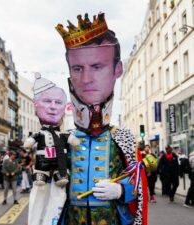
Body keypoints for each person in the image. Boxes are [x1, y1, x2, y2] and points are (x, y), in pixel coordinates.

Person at [55, 13, 148, 225]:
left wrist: (121, 190)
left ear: (117, 70)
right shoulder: (63, 139)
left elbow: (139, 184)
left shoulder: (123, 137)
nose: (86, 79)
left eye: (97, 67)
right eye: (78, 68)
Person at [25, 74, 80, 225]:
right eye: (47, 101)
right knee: (39, 193)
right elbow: (29, 142)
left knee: (58, 195)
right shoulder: (40, 133)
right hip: (42, 166)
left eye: (58, 102)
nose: (53, 106)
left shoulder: (65, 134)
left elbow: (74, 142)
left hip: (59, 169)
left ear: (64, 108)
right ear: (36, 105)